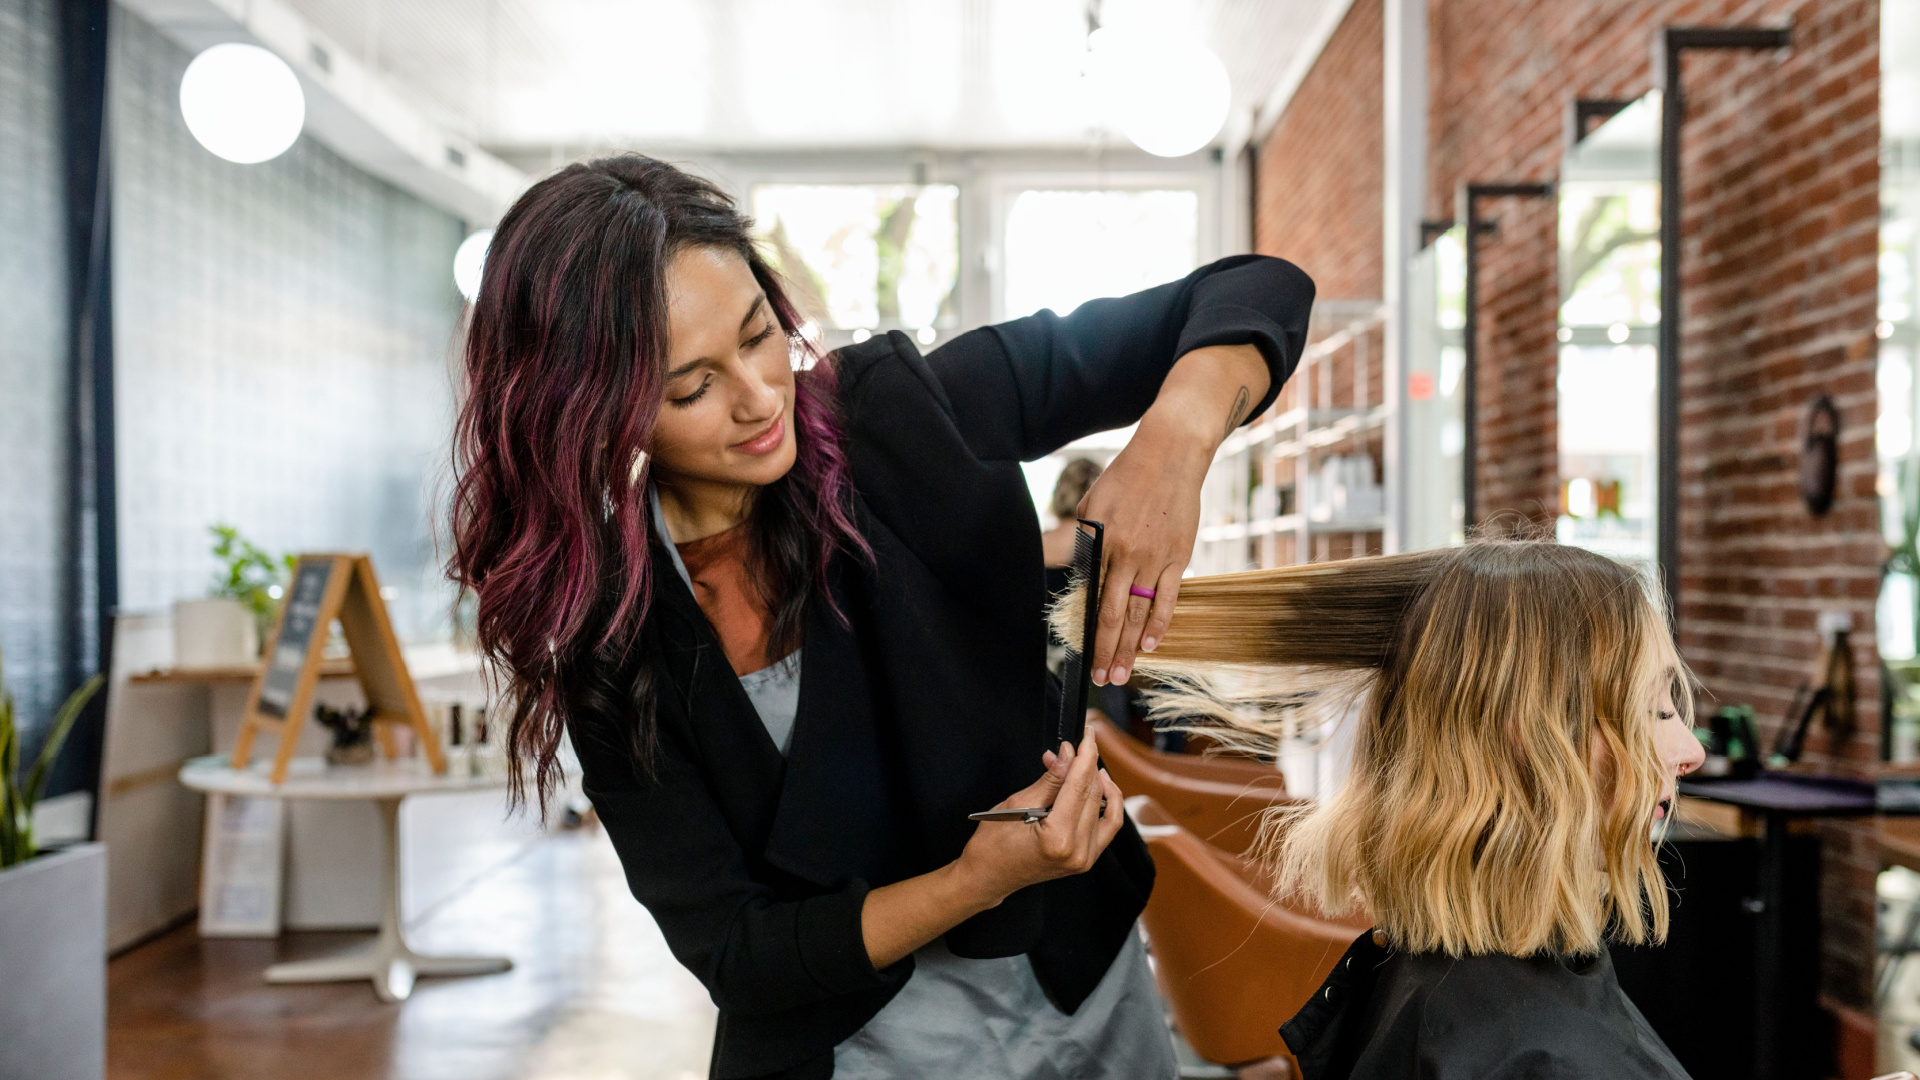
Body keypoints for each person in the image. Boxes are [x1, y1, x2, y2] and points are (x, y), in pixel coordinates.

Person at [447, 155, 1315, 1080]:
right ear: (597, 417)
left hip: (1082, 991)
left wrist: (1174, 444)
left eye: (757, 334)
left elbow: (1254, 290)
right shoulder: (614, 639)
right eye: (690, 388)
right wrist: (972, 883)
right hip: (854, 1050)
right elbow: (740, 952)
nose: (758, 398)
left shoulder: (903, 417)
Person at [1070, 540, 1706, 1080]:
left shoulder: (1448, 994)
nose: (1691, 751)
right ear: (1528, 737)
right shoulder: (1532, 1055)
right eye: (1653, 711)